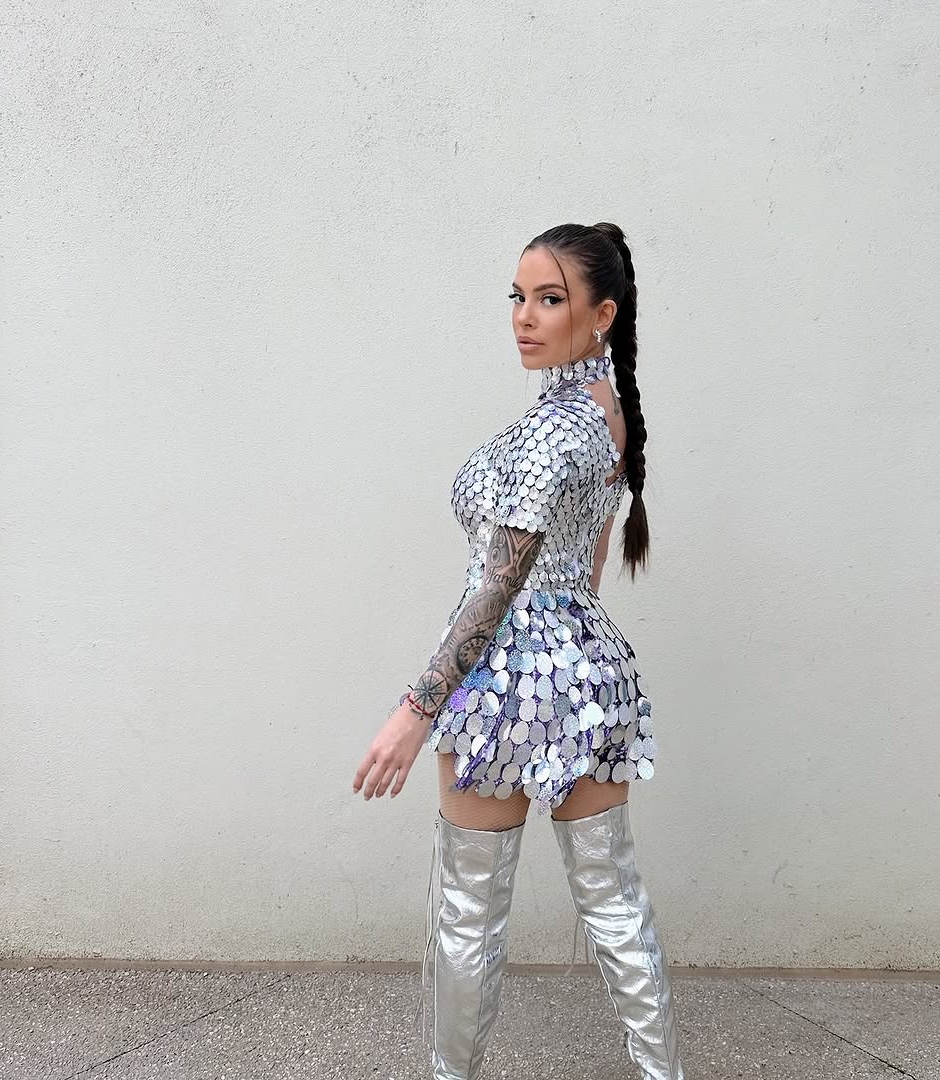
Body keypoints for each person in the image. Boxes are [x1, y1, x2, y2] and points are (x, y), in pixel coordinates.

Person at [353, 222, 685, 1080]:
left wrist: (413, 712)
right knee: (614, 901)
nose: (525, 317)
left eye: (550, 299)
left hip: (502, 681)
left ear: (602, 315)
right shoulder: (609, 416)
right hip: (589, 672)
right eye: (519, 297)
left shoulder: (547, 433)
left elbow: (498, 587)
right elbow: (590, 562)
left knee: (468, 912)